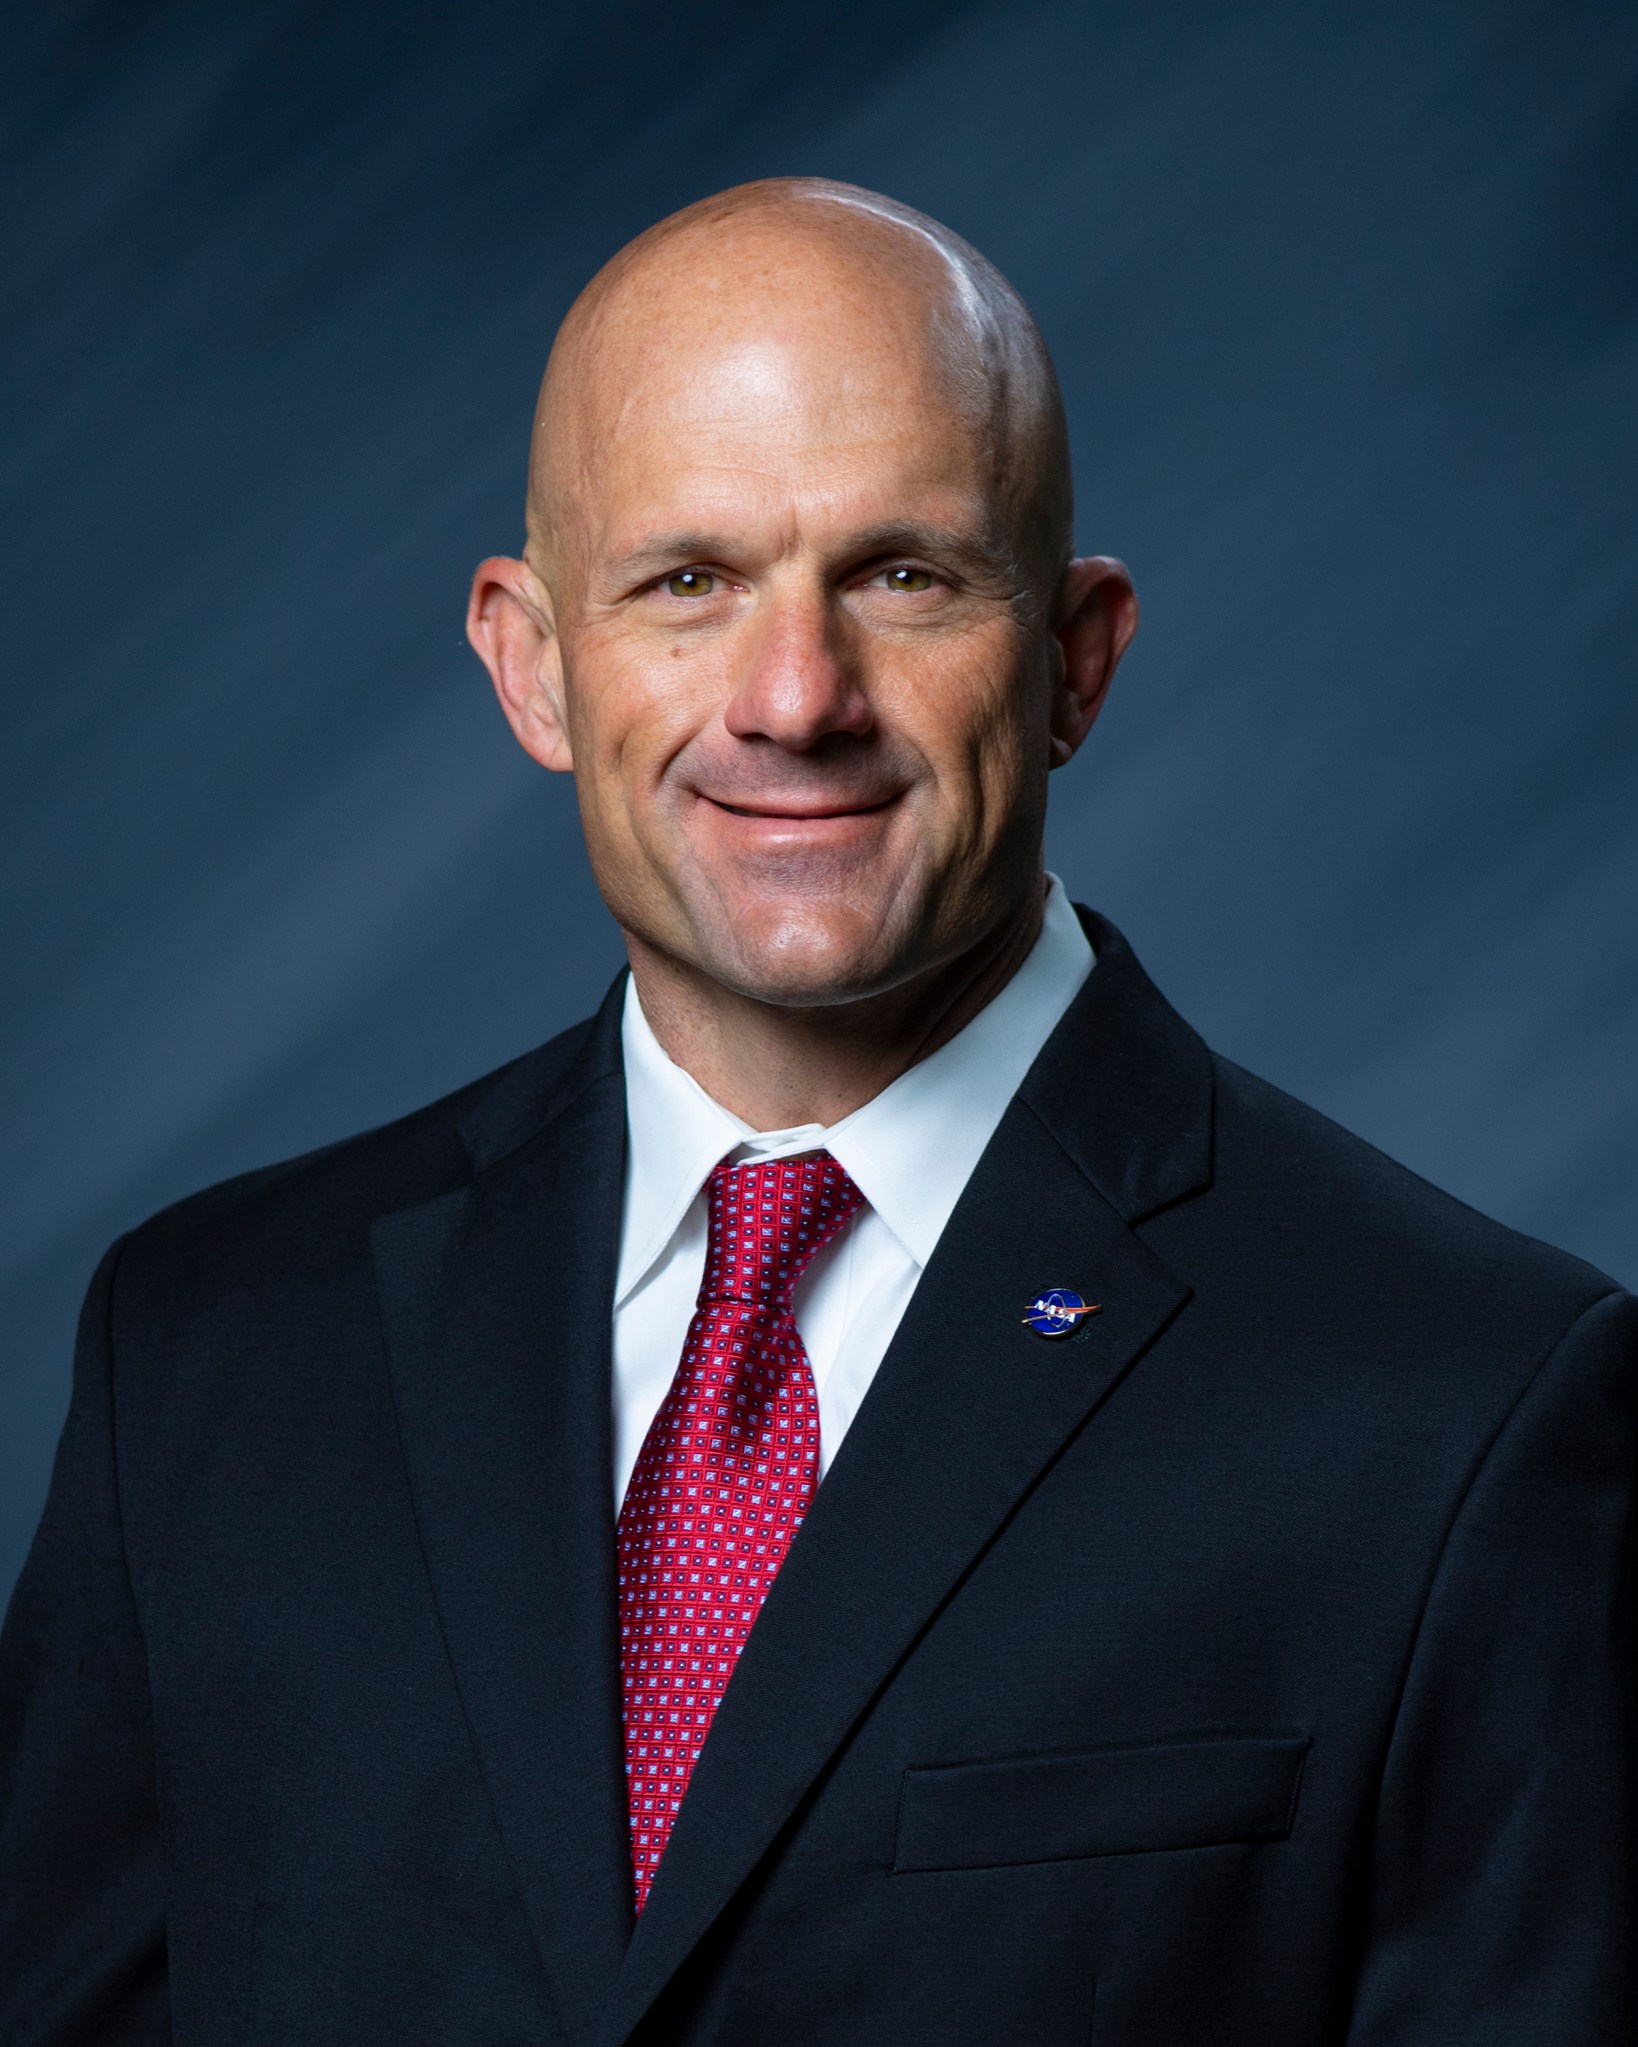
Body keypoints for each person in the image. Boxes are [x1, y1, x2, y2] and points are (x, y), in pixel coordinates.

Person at [0, 177, 1631, 2047]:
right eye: (687, 581)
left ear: (1074, 659)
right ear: (532, 661)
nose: (794, 699)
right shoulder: (205, 1353)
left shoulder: (1463, 1408)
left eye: (902, 575)